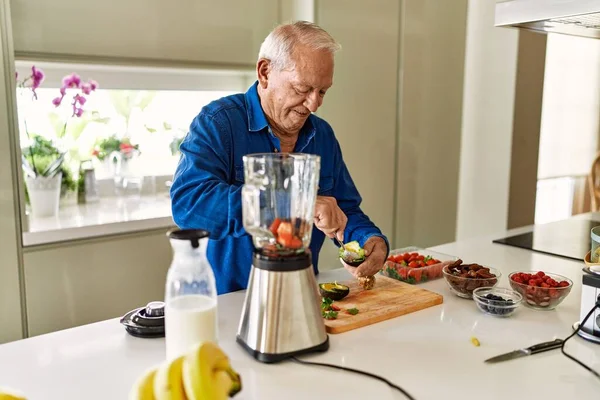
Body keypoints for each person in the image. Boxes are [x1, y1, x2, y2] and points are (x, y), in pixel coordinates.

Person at [170, 21, 389, 294]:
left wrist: (371, 240)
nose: (314, 104)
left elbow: (344, 210)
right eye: (301, 89)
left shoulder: (322, 135)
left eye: (322, 91)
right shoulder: (219, 122)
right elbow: (189, 205)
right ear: (265, 72)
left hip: (302, 293)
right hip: (228, 300)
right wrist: (293, 206)